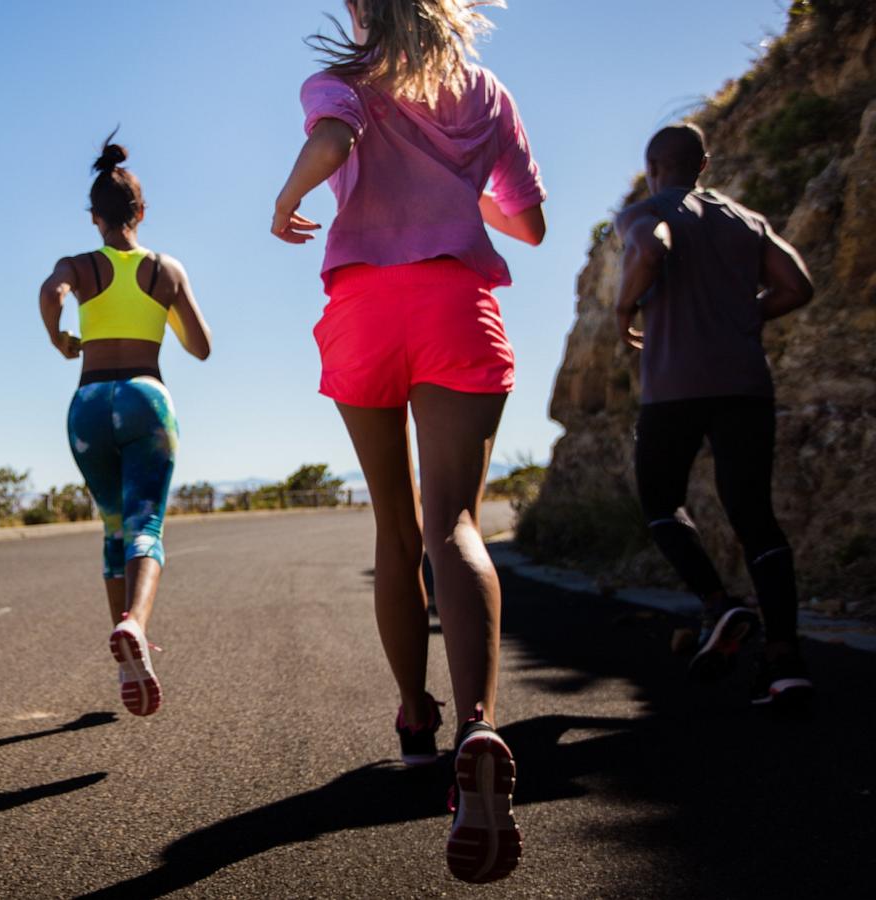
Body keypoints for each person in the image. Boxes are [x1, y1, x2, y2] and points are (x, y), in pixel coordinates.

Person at [270, 0, 545, 884]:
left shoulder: (341, 79)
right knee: (454, 523)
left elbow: (335, 142)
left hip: (363, 312)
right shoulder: (487, 92)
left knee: (394, 528)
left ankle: (415, 720)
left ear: (359, 8)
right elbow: (530, 221)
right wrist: (460, 199)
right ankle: (479, 725)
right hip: (456, 306)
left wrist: (288, 196)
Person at [615, 123, 815, 708]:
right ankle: (785, 663)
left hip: (674, 386)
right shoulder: (745, 220)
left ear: (654, 165)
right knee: (754, 516)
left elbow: (652, 249)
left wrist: (626, 308)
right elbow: (796, 286)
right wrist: (741, 317)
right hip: (746, 386)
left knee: (659, 501)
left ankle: (718, 603)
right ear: (703, 164)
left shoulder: (645, 209)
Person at [38, 134, 212, 717]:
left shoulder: (79, 265)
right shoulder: (165, 269)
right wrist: (168, 307)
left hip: (88, 403)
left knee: (112, 527)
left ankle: (124, 658)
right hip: (144, 396)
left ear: (94, 219)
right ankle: (136, 624)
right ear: (142, 213)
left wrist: (61, 337)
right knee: (146, 527)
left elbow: (50, 291)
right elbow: (202, 347)